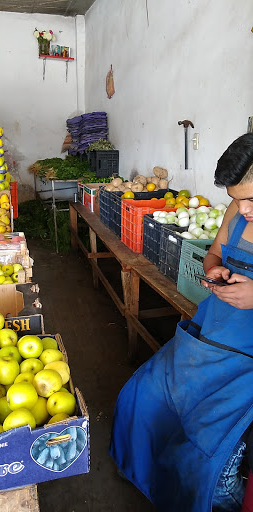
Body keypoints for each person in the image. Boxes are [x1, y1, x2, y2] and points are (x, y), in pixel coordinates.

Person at [110, 132, 253, 512]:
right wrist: (215, 271)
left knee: (204, 445)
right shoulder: (236, 213)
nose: (244, 209)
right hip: (210, 332)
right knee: (144, 393)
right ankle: (139, 471)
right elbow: (214, 254)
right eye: (236, 200)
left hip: (246, 358)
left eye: (251, 199)